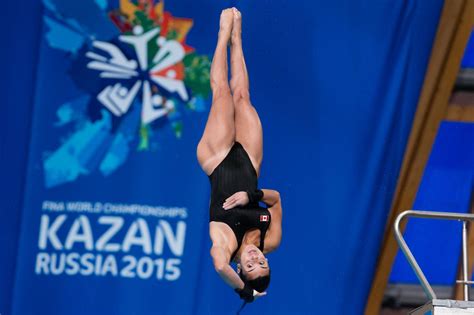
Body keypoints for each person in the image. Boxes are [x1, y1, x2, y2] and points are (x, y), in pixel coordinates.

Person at [196, 7, 283, 303]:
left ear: (240, 267)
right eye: (261, 262)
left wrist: (245, 292)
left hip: (216, 159)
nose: (254, 257)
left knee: (221, 93)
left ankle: (222, 36)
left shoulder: (224, 244)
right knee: (242, 95)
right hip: (249, 162)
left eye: (249, 265)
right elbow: (275, 199)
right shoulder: (270, 239)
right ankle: (238, 38)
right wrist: (251, 194)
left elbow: (220, 266)